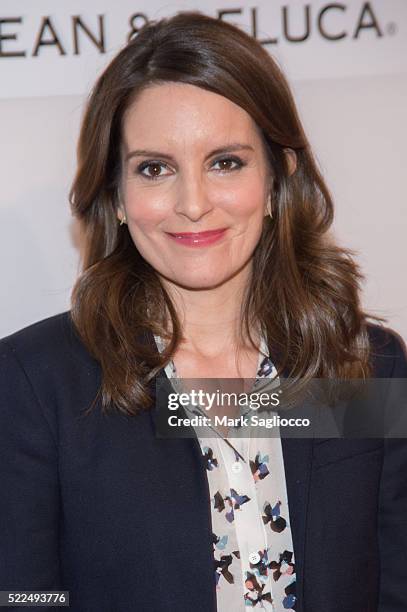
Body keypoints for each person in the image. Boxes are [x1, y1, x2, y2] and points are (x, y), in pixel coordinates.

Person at [0, 10, 406, 612]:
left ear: (276, 178)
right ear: (115, 194)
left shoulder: (364, 365)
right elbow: (23, 598)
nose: (193, 204)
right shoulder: (37, 383)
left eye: (226, 162)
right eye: (155, 168)